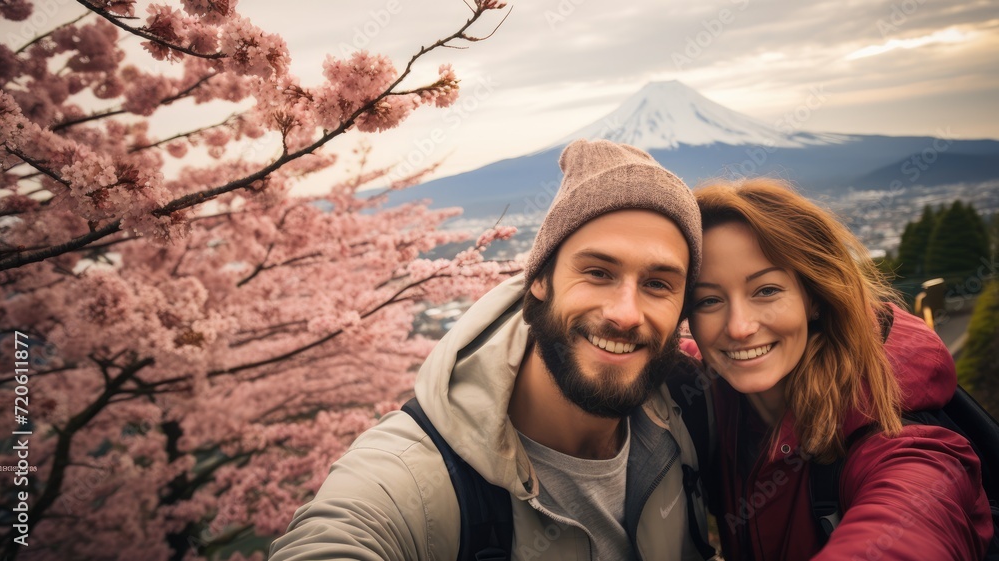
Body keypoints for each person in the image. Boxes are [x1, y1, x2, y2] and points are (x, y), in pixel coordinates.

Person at [268, 139, 715, 561]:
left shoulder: (687, 413)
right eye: (598, 272)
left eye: (658, 284)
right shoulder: (418, 475)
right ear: (539, 280)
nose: (625, 313)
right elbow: (340, 532)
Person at [685, 178, 994, 560]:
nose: (739, 327)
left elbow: (912, 518)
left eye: (766, 290)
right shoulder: (717, 393)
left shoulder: (896, 435)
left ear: (814, 298)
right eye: (709, 300)